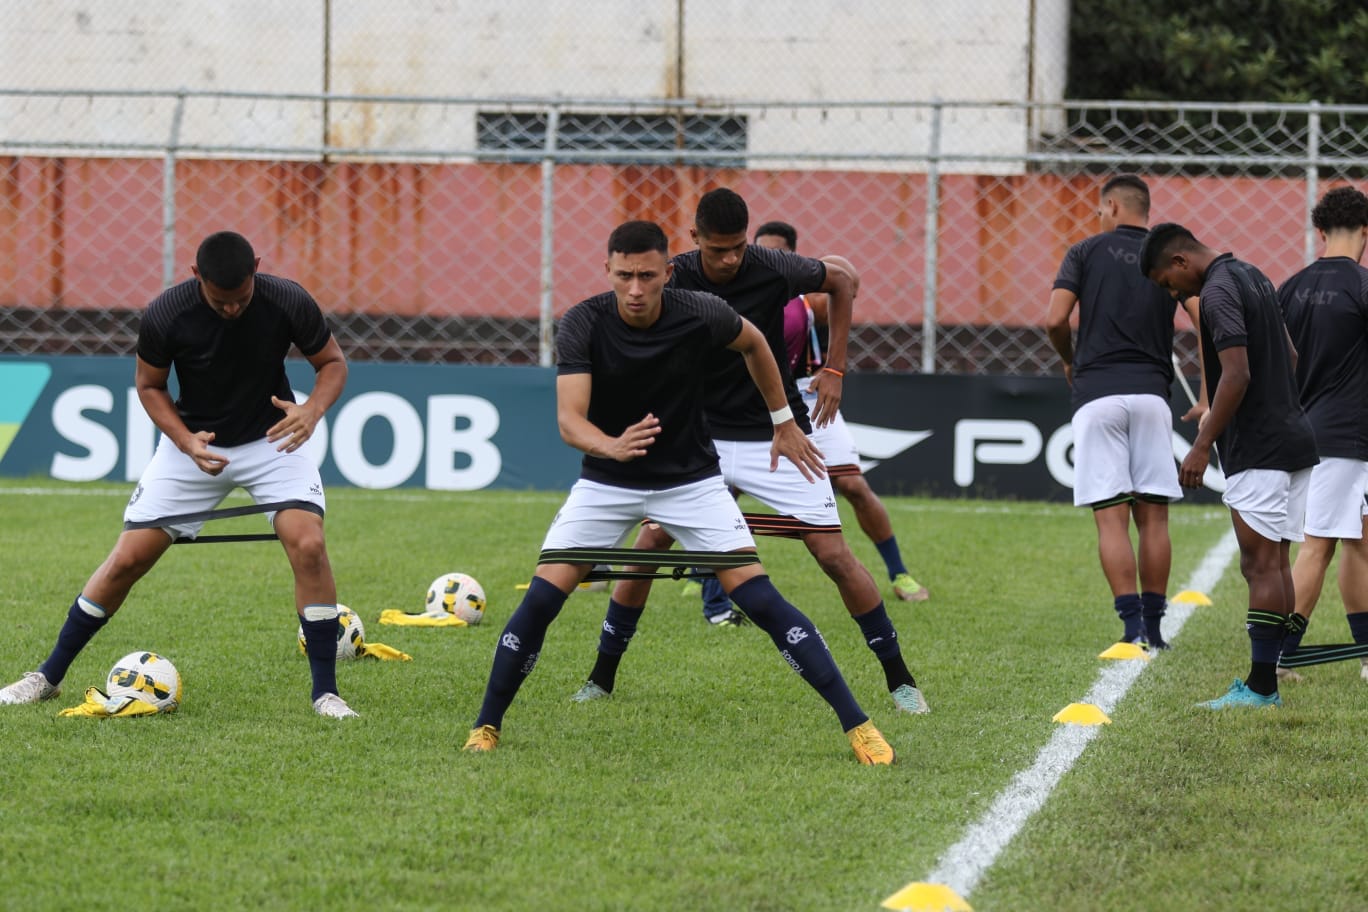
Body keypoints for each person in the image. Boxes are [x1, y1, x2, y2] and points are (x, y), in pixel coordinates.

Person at [461, 220, 895, 764]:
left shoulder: (699, 311)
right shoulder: (583, 322)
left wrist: (784, 419)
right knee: (543, 598)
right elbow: (570, 422)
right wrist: (612, 447)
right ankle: (486, 725)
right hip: (606, 482)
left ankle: (859, 726)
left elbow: (756, 344)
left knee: (760, 599)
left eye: (647, 275)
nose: (636, 289)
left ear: (668, 271)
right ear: (608, 271)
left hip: (691, 482)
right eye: (625, 276)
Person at [573, 189, 930, 715]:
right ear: (694, 241)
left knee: (833, 554)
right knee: (649, 543)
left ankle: (899, 679)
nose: (731, 259)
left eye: (738, 247)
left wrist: (834, 367)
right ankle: (601, 677)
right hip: (702, 442)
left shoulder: (772, 265)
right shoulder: (669, 276)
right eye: (718, 250)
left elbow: (842, 278)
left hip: (780, 434)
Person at [0, 231, 358, 718]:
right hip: (193, 445)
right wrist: (184, 441)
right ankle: (46, 676)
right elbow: (149, 386)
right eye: (219, 300)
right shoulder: (167, 313)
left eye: (240, 298)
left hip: (273, 439)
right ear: (196, 279)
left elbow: (332, 363)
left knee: (309, 545)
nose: (231, 309)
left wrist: (312, 410)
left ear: (257, 267)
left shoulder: (287, 299)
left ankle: (326, 694)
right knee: (127, 560)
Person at [1140, 222, 1318, 709]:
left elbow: (1236, 373)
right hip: (1292, 437)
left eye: (1166, 283)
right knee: (1275, 561)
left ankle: (1261, 688)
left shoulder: (1216, 291)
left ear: (1179, 262)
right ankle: (1269, 677)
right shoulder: (1253, 274)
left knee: (1258, 564)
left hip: (1259, 447)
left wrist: (1202, 443)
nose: (1173, 293)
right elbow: (1291, 355)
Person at [1044, 175, 1203, 650]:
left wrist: (1069, 359)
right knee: (1153, 518)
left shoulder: (1084, 251)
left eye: (1099, 210)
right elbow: (1205, 316)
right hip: (1153, 396)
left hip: (1097, 394)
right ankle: (1156, 631)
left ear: (1111, 206)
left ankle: (1131, 629)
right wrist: (1208, 388)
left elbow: (1054, 318)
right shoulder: (1167, 256)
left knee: (1110, 519)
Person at [1275, 185, 1368, 683]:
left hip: (1303, 431)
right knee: (1321, 544)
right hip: (1346, 435)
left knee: (1358, 541)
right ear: (1365, 234)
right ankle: (1280, 656)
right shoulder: (1362, 286)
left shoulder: (1289, 288)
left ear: (1320, 232)